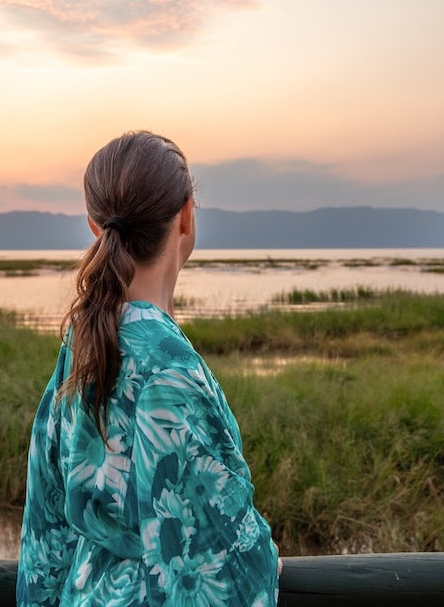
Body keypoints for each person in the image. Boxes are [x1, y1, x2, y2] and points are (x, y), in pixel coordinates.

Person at [17, 131, 279, 606]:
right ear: (186, 214)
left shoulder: (82, 341)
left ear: (95, 226)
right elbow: (215, 562)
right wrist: (264, 554)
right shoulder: (170, 366)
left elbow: (45, 522)